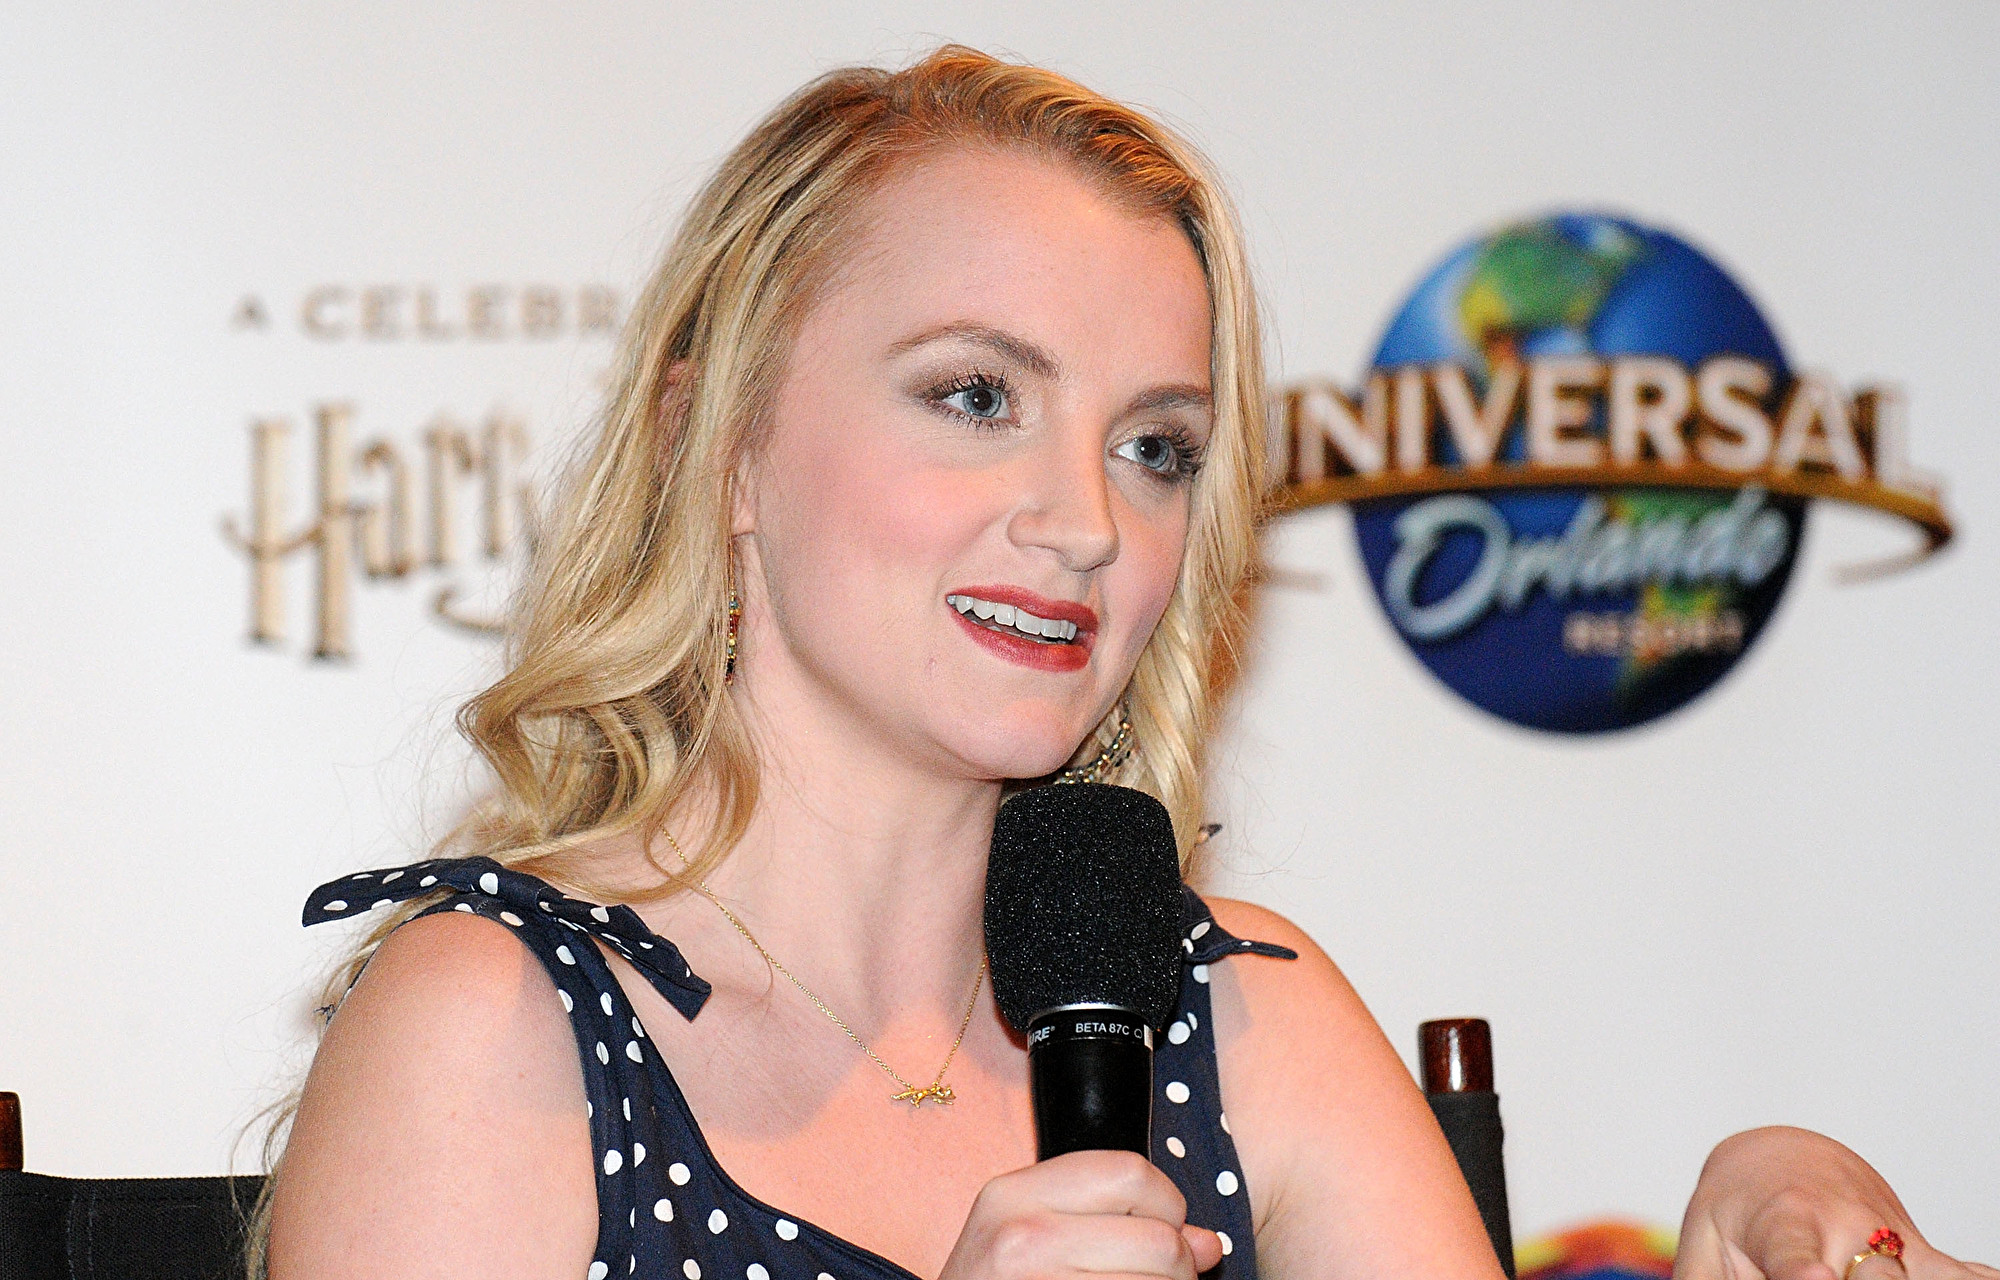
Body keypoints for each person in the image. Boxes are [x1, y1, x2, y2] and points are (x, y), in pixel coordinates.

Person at [256, 47, 1989, 1280]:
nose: (1086, 521)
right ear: (721, 446)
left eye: (1155, 448)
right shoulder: (493, 1027)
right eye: (976, 396)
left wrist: (1746, 1209)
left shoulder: (1244, 1012)